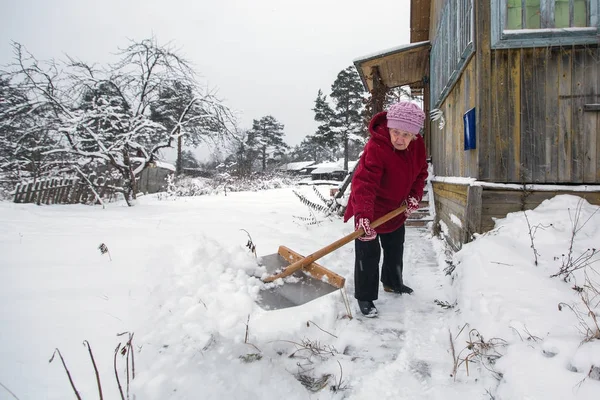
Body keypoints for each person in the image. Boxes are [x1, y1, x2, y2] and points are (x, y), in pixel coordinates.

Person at [343, 101, 428, 317]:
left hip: (394, 209)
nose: (400, 139)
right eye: (396, 132)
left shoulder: (418, 146)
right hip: (369, 208)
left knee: (394, 247)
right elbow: (364, 183)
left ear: (415, 135)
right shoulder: (376, 147)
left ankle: (392, 282)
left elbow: (420, 174)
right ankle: (365, 297)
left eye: (406, 135)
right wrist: (363, 216)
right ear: (389, 128)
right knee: (368, 254)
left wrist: (414, 196)